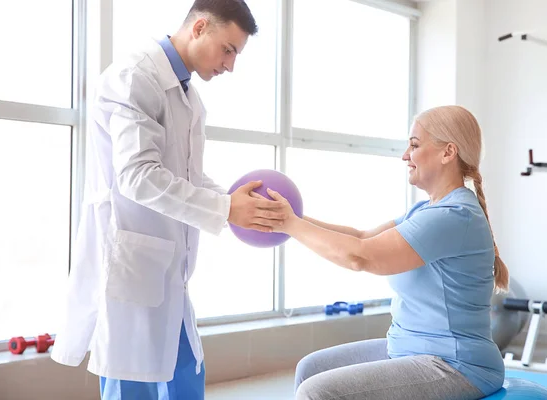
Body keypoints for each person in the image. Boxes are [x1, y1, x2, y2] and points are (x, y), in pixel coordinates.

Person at [50, 1, 284, 399]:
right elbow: (137, 177)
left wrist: (231, 201)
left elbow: (185, 178)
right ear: (199, 27)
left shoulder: (188, 97)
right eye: (228, 49)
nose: (230, 66)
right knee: (134, 384)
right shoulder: (135, 77)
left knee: (187, 379)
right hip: (134, 269)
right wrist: (226, 208)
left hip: (168, 272)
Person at [263, 105, 508, 400]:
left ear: (448, 153)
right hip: (409, 349)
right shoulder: (426, 210)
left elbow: (361, 256)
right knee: (310, 369)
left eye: (414, 145)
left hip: (455, 365)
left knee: (317, 392)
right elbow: (362, 237)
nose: (405, 155)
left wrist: (289, 224)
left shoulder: (455, 216)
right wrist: (289, 219)